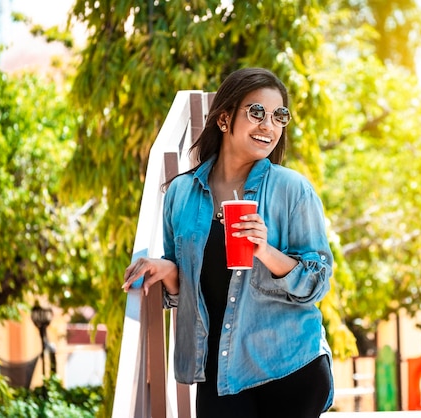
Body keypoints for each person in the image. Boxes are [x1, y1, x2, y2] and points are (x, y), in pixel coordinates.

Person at [122, 67, 335, 418]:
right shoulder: (181, 193)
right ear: (223, 119)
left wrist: (265, 251)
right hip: (220, 370)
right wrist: (165, 267)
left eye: (279, 116)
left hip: (289, 364)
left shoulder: (292, 190)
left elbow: (317, 281)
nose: (269, 125)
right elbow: (185, 287)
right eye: (256, 113)